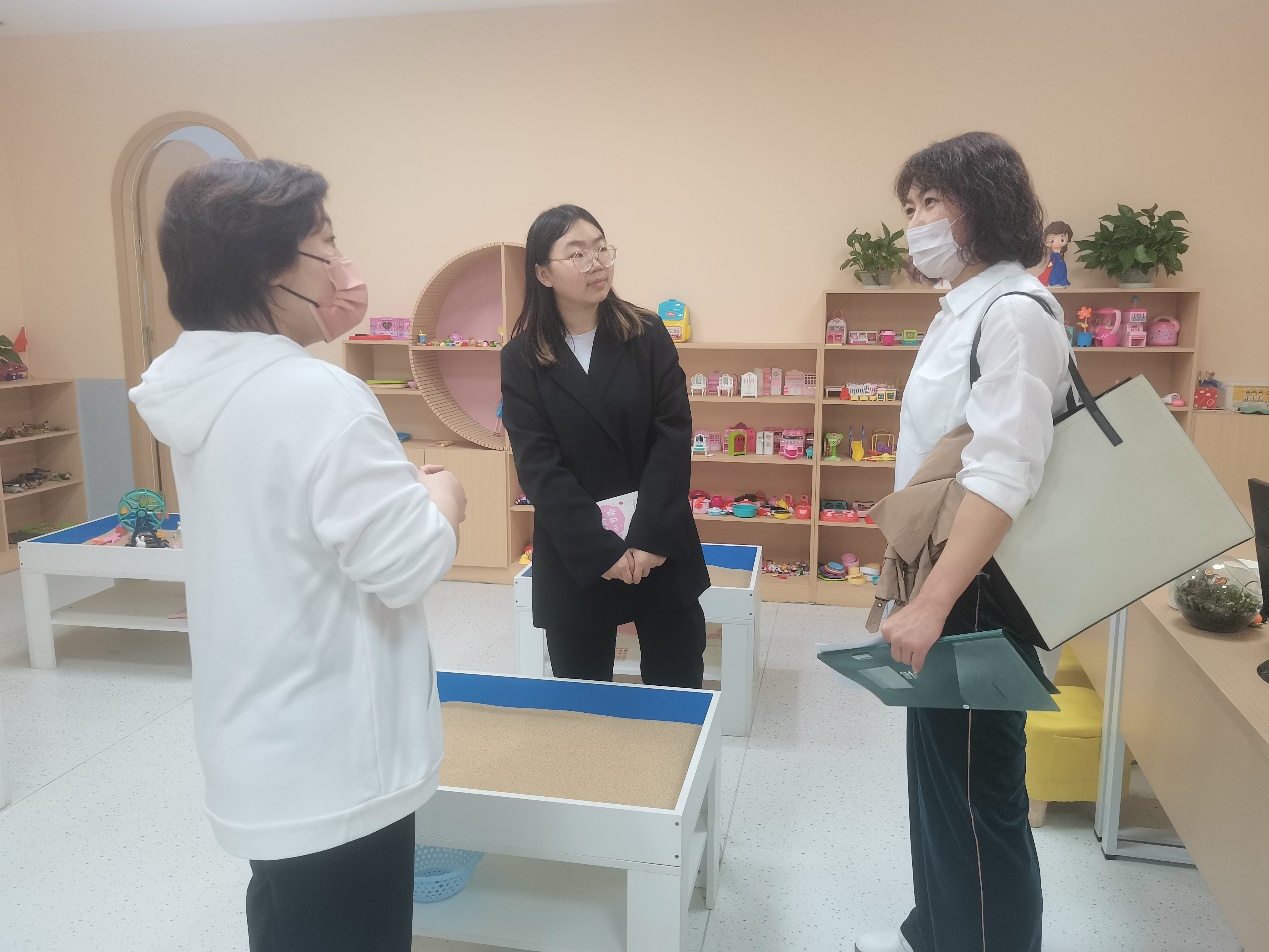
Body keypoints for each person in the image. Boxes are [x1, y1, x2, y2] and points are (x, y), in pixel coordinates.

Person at [130, 158, 467, 952]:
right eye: (326, 244)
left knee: (286, 924)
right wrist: (445, 499)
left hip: (260, 747)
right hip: (337, 762)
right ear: (267, 270)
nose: (341, 267)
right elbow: (404, 565)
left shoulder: (199, 391)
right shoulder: (316, 394)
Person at [854, 132, 1074, 952]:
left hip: (979, 585)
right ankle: (939, 933)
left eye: (929, 204)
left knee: (980, 797)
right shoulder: (966, 307)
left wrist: (935, 601)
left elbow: (1002, 473)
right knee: (941, 781)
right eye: (908, 208)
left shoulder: (1013, 312)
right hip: (949, 574)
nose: (914, 224)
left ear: (980, 205)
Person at [500, 205, 710, 688]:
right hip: (578, 549)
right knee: (585, 702)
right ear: (543, 273)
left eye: (601, 249)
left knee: (676, 688)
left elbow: (672, 437)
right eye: (576, 254)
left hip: (658, 539)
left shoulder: (647, 333)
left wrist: (650, 537)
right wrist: (600, 551)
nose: (595, 263)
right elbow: (539, 466)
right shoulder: (522, 358)